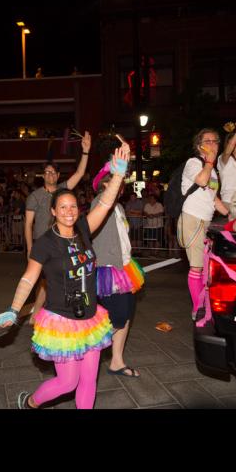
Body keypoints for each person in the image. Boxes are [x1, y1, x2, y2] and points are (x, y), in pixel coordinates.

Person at [0, 142, 131, 409]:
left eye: (73, 206)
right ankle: (30, 403)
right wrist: (14, 309)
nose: (69, 212)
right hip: (62, 320)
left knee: (89, 380)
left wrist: (118, 174)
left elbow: (105, 203)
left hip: (90, 317)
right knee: (68, 382)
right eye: (63, 207)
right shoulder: (45, 243)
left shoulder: (83, 230)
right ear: (53, 211)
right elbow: (29, 278)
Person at [24, 131, 91, 320]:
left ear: (58, 175)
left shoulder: (63, 191)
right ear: (43, 175)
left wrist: (85, 152)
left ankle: (44, 313)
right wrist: (30, 248)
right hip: (42, 244)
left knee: (53, 280)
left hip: (62, 243)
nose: (50, 175)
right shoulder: (34, 196)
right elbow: (28, 224)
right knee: (42, 280)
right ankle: (39, 314)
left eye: (53, 172)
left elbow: (79, 173)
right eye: (47, 172)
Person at [91, 157, 145, 377]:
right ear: (106, 183)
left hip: (124, 267)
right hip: (108, 268)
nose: (121, 183)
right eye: (116, 179)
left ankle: (116, 361)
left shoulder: (119, 207)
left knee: (127, 315)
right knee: (119, 316)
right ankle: (88, 348)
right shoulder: (100, 202)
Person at [179, 128, 229, 319]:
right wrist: (209, 162)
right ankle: (198, 309)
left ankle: (204, 304)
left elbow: (213, 197)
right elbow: (201, 180)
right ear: (199, 145)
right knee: (197, 266)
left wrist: (232, 215)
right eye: (207, 141)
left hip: (206, 220)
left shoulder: (213, 170)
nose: (212, 144)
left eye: (215, 141)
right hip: (193, 217)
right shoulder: (194, 163)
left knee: (205, 267)